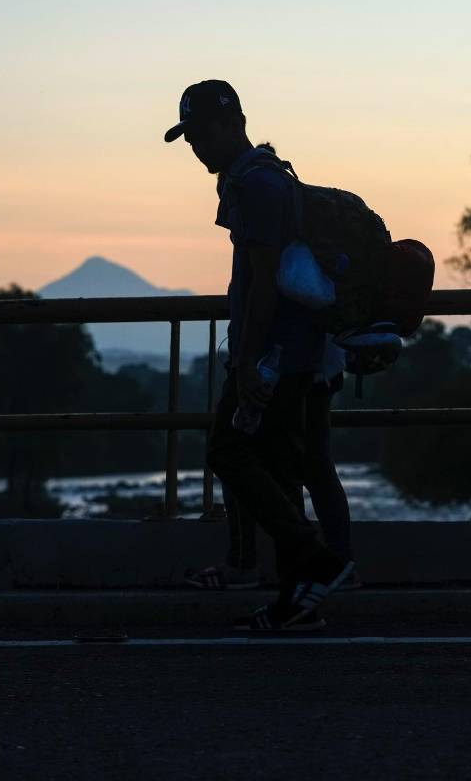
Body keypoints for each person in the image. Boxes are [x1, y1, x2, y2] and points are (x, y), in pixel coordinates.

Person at [164, 80, 353, 631]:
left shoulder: (258, 187)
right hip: (287, 352)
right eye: (189, 138)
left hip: (274, 357)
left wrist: (246, 361)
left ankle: (318, 559)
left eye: (201, 134)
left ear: (233, 124)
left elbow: (265, 282)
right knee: (278, 466)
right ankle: (298, 601)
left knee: (229, 451)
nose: (196, 147)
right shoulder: (260, 178)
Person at [187, 339, 359, 591]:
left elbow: (261, 303)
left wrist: (244, 362)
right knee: (312, 465)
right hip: (319, 362)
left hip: (273, 363)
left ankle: (248, 563)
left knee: (236, 453)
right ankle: (335, 566)